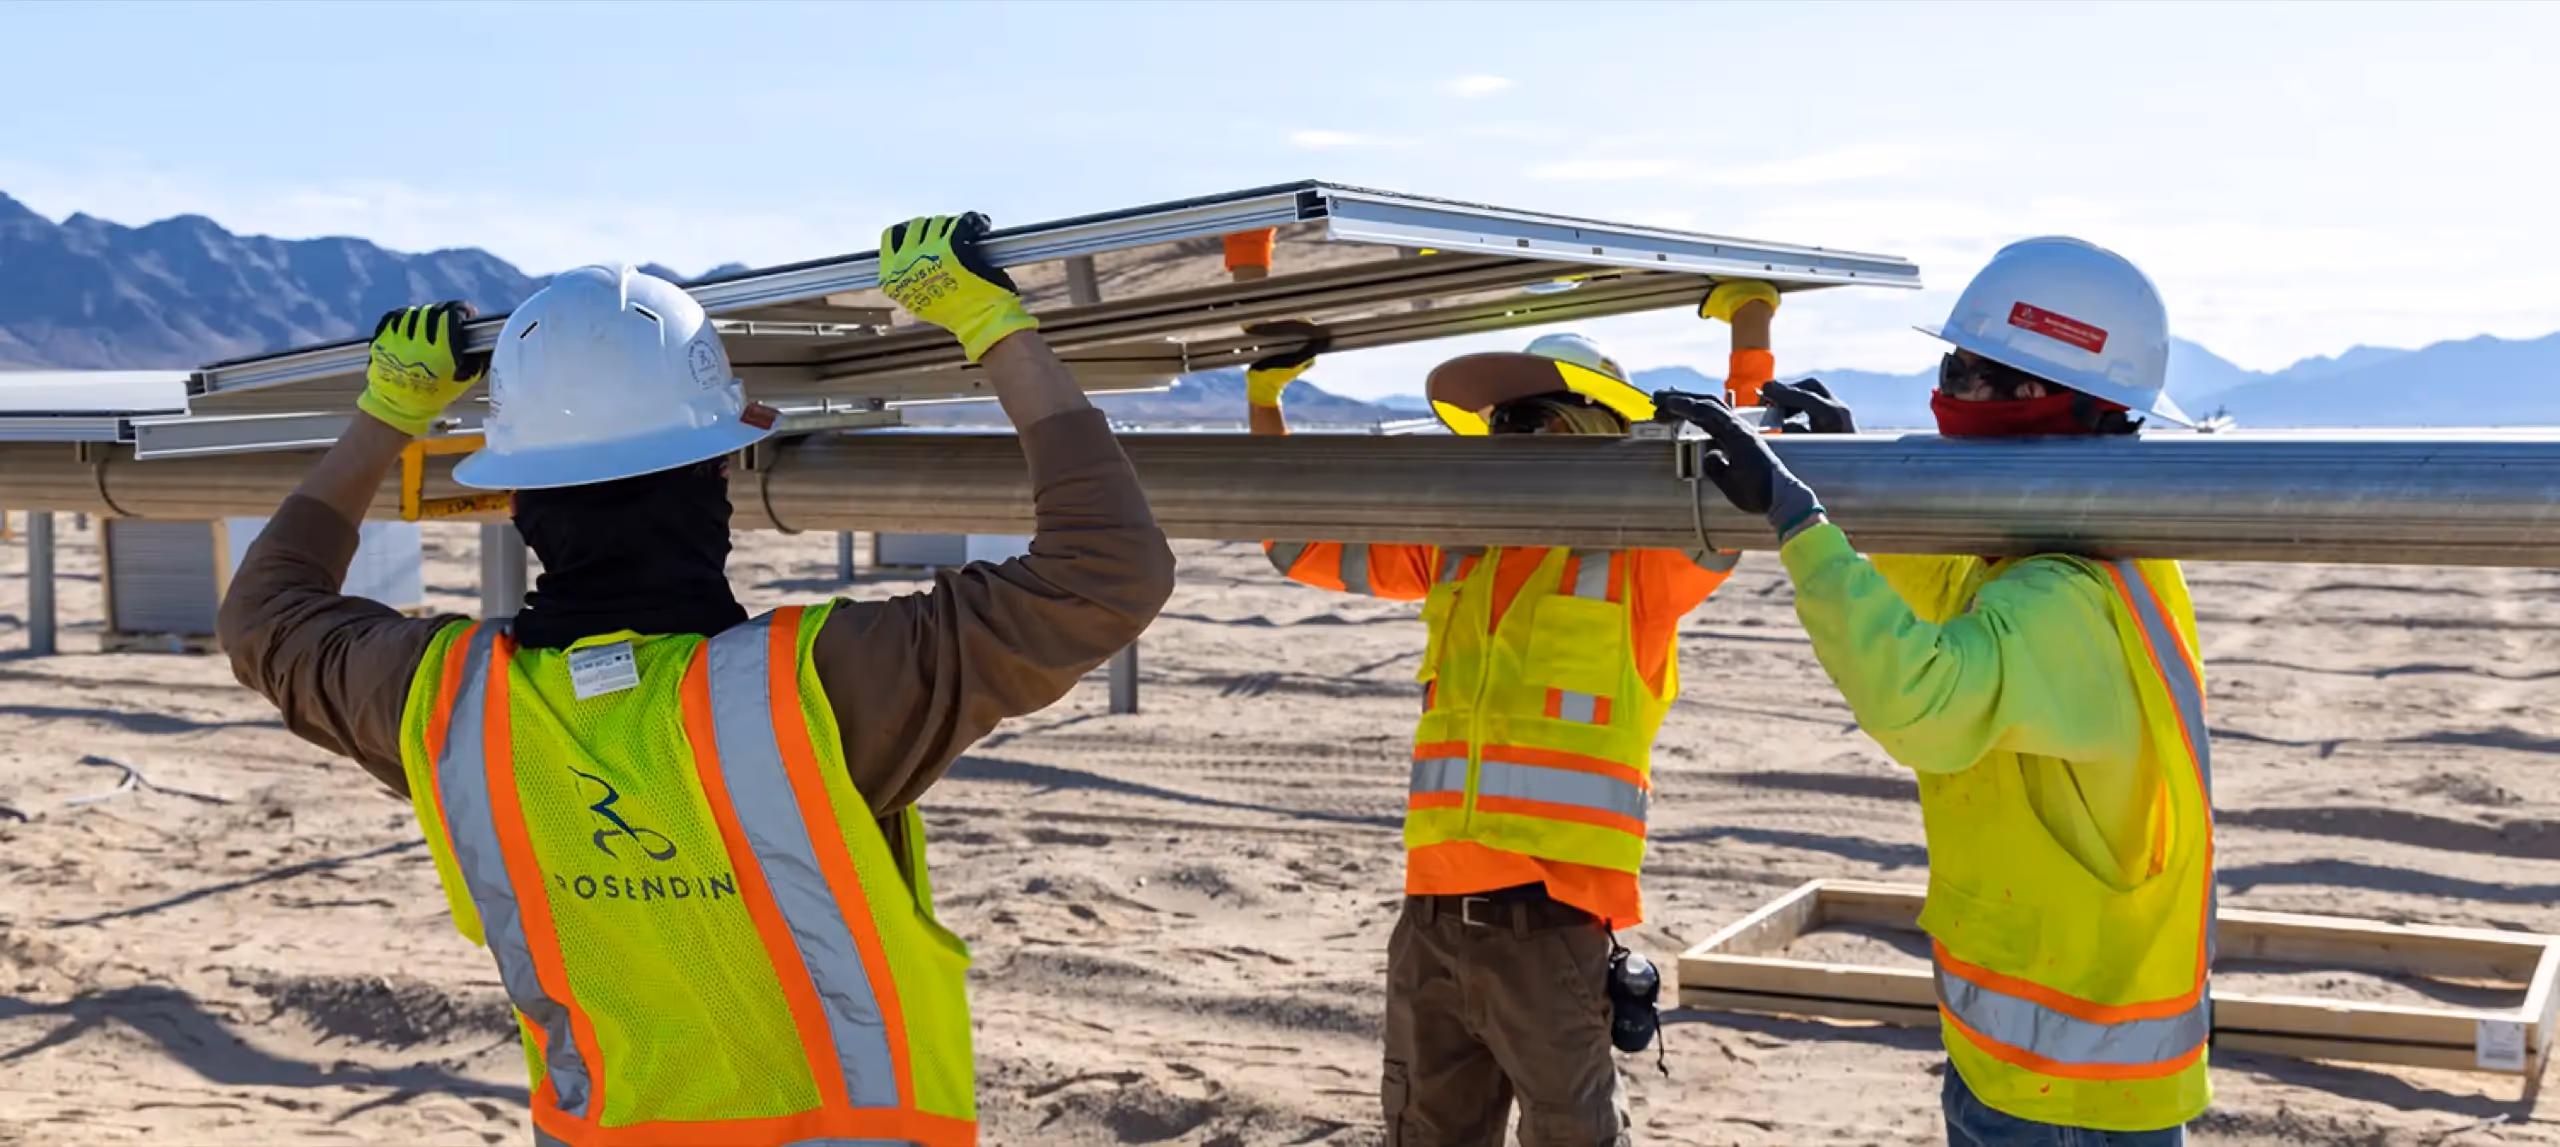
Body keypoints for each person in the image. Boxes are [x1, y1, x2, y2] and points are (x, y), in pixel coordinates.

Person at [217, 214, 1175, 1147]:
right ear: (713, 478)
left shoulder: (447, 704)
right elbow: (1105, 568)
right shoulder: (816, 690)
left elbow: (264, 612)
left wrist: (388, 412)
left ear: (522, 500)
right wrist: (991, 324)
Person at [1655, 237, 2212, 1145]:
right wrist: (1854, 478)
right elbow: (1957, 597)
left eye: (1966, 369)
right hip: (2034, 1066)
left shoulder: (2073, 596)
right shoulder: (2056, 556)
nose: (1945, 387)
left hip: (2067, 1094)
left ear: (2042, 398)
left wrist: (1799, 519)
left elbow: (1922, 697)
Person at [1245, 283, 1785, 1146]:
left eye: (1531, 418)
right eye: (1501, 422)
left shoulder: (1639, 567)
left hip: (1549, 930)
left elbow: (1754, 479)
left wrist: (1751, 333)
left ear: (1596, 428)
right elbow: (1290, 538)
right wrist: (1265, 400)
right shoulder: (1458, 546)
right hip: (1427, 928)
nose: (1507, 437)